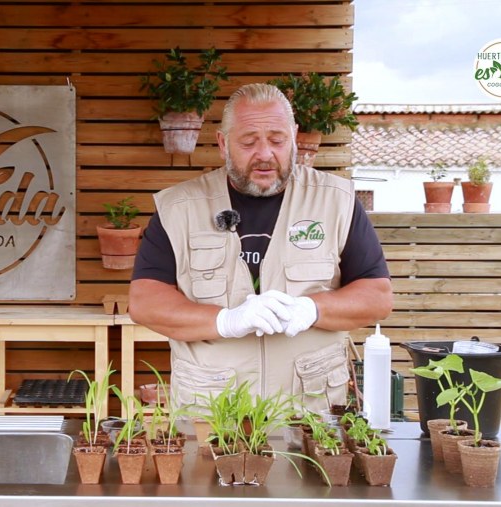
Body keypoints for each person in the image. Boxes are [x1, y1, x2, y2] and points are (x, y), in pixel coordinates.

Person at [128, 83, 393, 411]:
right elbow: (144, 302)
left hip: (313, 414)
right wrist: (226, 320)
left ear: (294, 137)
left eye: (278, 140)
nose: (266, 154)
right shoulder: (180, 208)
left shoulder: (336, 201)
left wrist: (311, 310)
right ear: (223, 144)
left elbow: (377, 296)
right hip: (212, 413)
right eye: (249, 142)